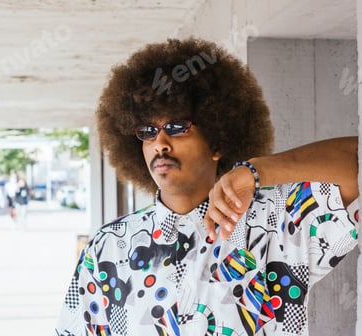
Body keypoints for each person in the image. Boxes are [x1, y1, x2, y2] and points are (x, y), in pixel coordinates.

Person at [55, 38, 359, 336]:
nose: (159, 143)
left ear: (216, 141)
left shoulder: (276, 220)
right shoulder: (107, 247)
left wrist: (255, 172)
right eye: (148, 131)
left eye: (176, 127)